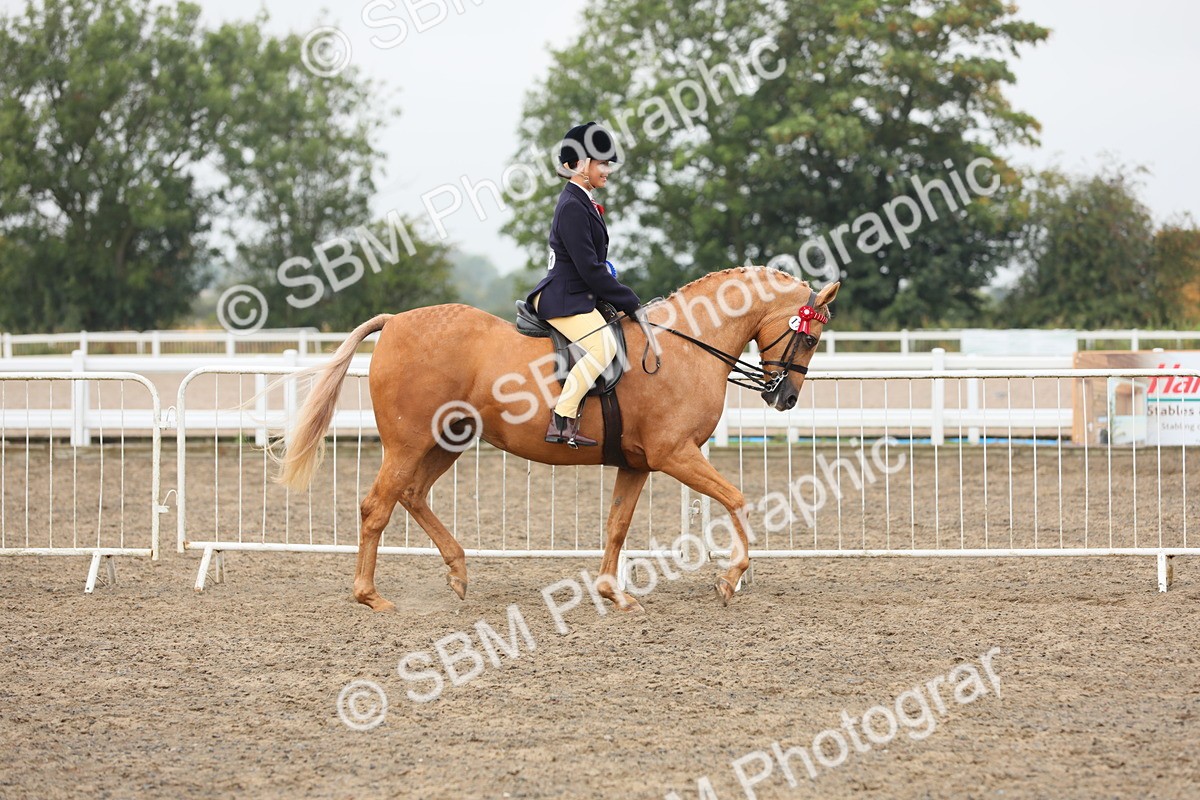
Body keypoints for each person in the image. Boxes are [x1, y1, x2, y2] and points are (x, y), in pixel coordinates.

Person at [526, 121, 642, 447]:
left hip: (576, 293)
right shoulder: (572, 206)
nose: (608, 170)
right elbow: (590, 270)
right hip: (562, 296)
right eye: (602, 163)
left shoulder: (582, 202)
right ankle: (561, 418)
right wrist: (630, 300)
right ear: (581, 164)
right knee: (603, 347)